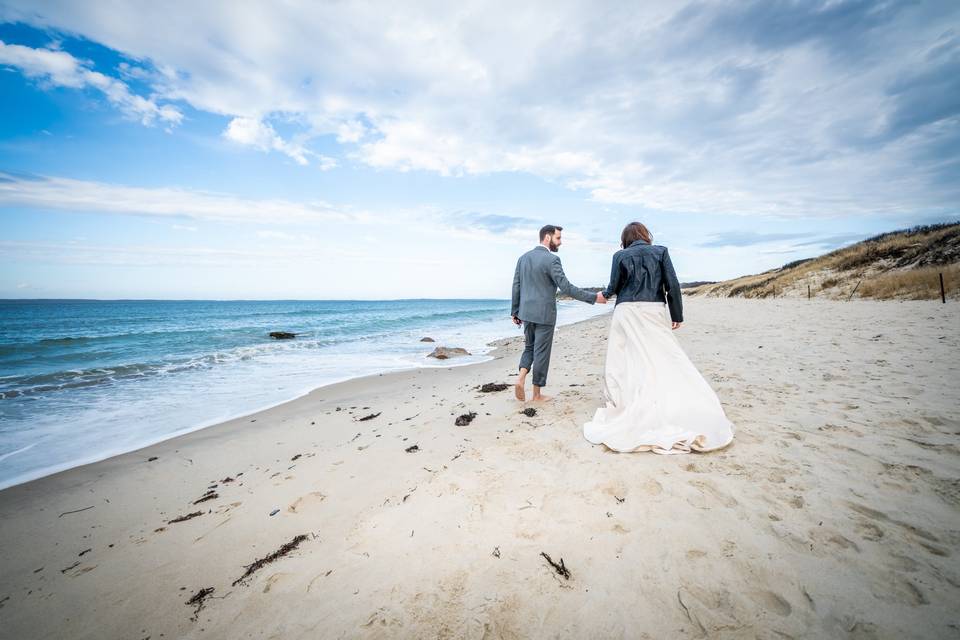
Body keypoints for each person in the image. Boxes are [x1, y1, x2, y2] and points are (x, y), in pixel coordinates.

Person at [583, 222, 734, 453]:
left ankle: (627, 401)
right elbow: (671, 284)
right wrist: (677, 314)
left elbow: (613, 287)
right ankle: (670, 400)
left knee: (624, 358)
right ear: (645, 235)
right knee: (665, 356)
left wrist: (598, 296)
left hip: (626, 312)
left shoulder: (620, 255)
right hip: (653, 309)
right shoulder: (660, 251)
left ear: (626, 238)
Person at [511, 225, 606, 402]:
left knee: (529, 347)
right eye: (558, 238)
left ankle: (520, 378)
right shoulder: (552, 260)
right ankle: (537, 395)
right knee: (541, 353)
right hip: (545, 313)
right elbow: (567, 287)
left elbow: (516, 286)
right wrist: (594, 298)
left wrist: (515, 311)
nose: (560, 242)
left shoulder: (522, 259)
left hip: (526, 312)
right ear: (547, 238)